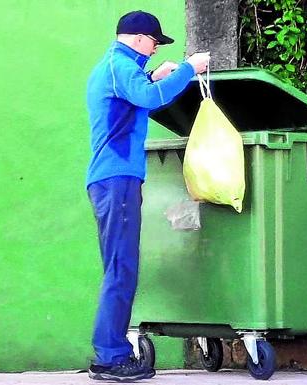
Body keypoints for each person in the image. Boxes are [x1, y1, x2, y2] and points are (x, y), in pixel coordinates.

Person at [85, 10, 210, 382]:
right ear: (138, 38)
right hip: (116, 178)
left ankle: (110, 354)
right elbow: (148, 97)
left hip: (115, 179)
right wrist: (189, 68)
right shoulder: (118, 65)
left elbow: (138, 96)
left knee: (119, 268)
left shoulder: (118, 67)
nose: (155, 50)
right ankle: (110, 357)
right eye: (154, 43)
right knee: (121, 269)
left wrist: (155, 76)